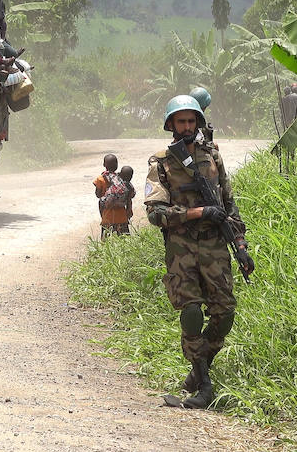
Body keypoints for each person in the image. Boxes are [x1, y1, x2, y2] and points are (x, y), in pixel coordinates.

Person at [144, 95, 253, 410]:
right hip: (182, 247)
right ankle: (204, 385)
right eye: (182, 121)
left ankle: (198, 364)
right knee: (192, 312)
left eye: (192, 121)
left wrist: (241, 247)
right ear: (171, 125)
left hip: (216, 244)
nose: (188, 127)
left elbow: (229, 204)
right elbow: (155, 214)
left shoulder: (212, 156)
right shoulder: (161, 162)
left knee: (225, 313)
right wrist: (197, 213)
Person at [93, 154, 134, 239]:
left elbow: (98, 195)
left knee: (105, 240)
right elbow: (129, 195)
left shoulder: (100, 179)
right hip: (122, 215)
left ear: (104, 165)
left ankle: (104, 252)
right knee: (125, 239)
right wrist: (129, 210)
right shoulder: (121, 178)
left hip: (107, 215)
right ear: (117, 165)